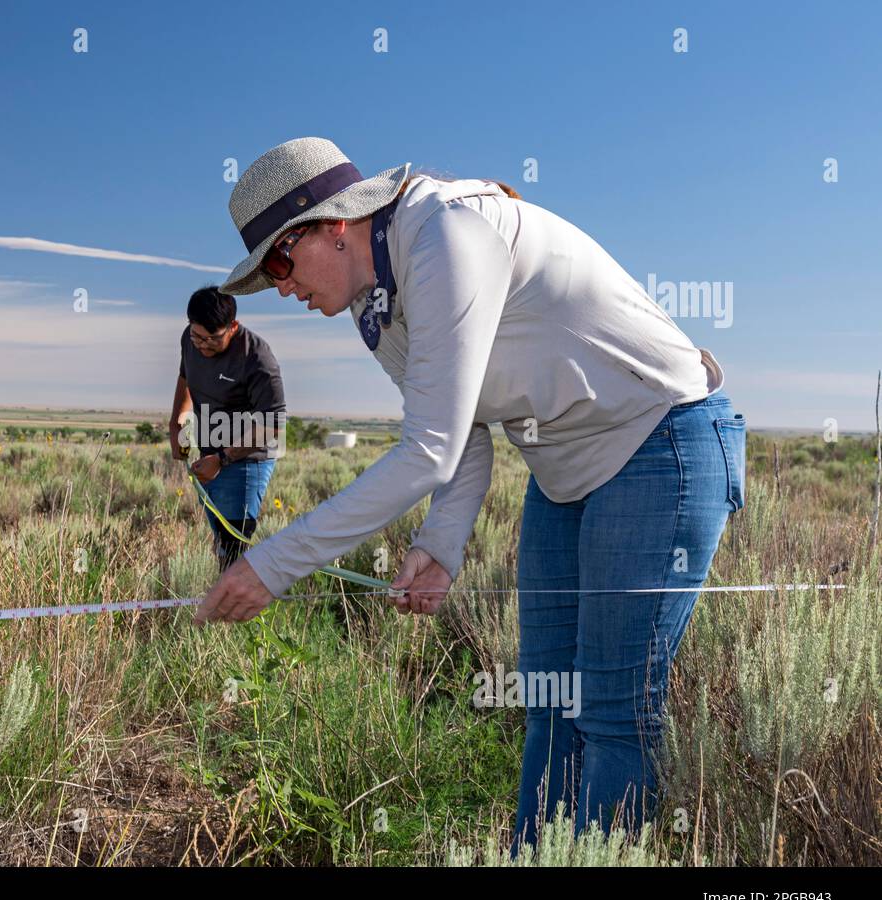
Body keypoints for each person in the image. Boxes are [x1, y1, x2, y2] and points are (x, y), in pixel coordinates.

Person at [192, 137, 747, 854]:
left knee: (611, 714)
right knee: (550, 707)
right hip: (565, 473)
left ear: (334, 224)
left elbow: (429, 448)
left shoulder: (446, 231)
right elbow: (465, 432)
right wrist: (440, 545)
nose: (284, 289)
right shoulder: (375, 307)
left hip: (661, 443)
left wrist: (273, 564)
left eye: (279, 263)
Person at [169, 286, 286, 572]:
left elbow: (273, 424)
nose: (203, 345)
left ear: (233, 326)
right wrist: (177, 423)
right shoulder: (190, 339)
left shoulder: (257, 358)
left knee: (233, 545)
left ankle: (234, 611)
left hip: (246, 460)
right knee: (222, 542)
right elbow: (185, 377)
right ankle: (224, 607)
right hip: (209, 454)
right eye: (197, 336)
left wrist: (222, 459)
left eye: (212, 339)